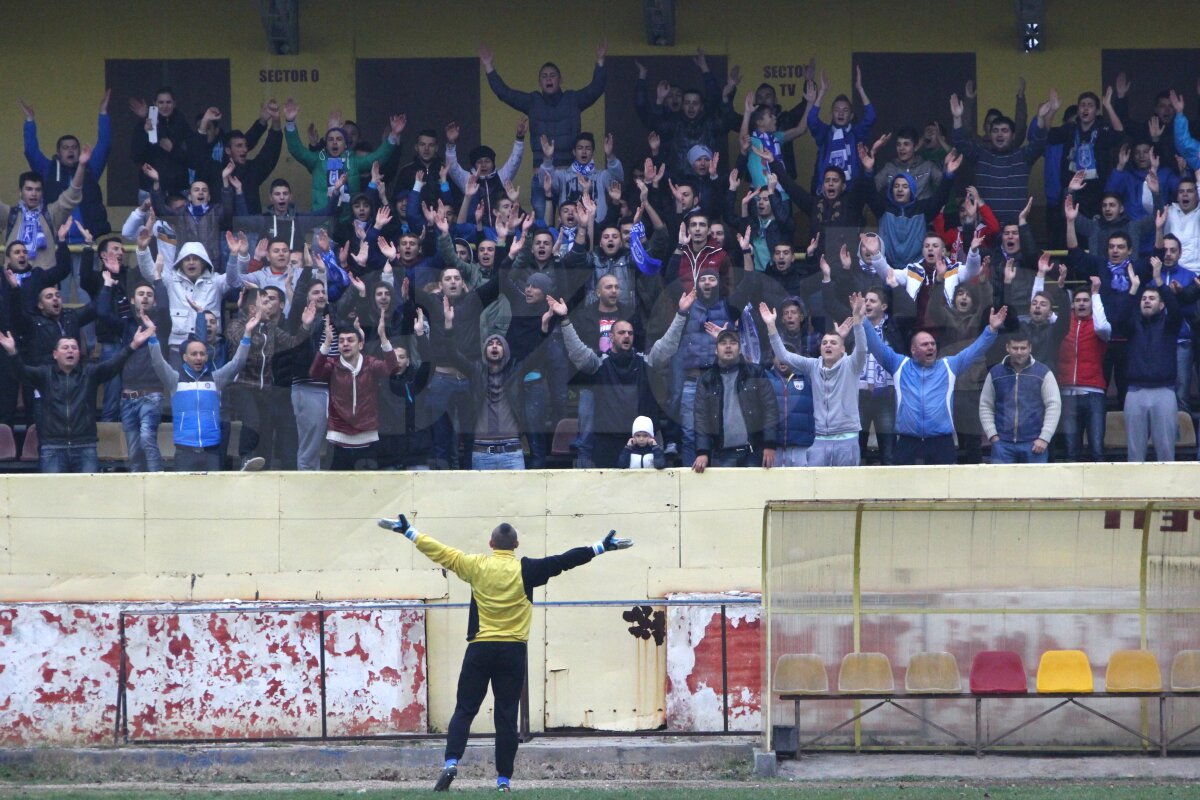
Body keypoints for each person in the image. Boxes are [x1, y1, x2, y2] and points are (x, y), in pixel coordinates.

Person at [378, 513, 632, 793]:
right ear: (516, 545)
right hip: (513, 651)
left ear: (491, 543)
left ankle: (451, 762)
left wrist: (410, 532)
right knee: (506, 716)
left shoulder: (476, 565)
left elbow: (441, 552)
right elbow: (563, 561)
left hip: (480, 648)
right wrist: (600, 547)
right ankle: (503, 781)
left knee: (465, 709)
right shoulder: (528, 569)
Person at [555, 290, 693, 468]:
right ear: (611, 337)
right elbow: (577, 352)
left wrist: (681, 314)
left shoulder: (646, 362)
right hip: (606, 444)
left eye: (630, 333)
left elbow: (667, 345)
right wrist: (565, 320)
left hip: (641, 444)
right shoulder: (599, 364)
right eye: (621, 333)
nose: (627, 336)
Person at [863, 304, 1008, 465]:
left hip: (941, 443)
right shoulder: (899, 365)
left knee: (942, 482)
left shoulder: (949, 366)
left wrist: (991, 330)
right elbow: (876, 346)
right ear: (913, 349)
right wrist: (863, 319)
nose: (931, 347)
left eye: (932, 344)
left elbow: (974, 351)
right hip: (907, 442)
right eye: (925, 344)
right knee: (905, 482)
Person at [0, 326, 154, 473]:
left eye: (74, 348)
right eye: (65, 348)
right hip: (52, 446)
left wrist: (133, 346)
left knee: (88, 491)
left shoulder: (90, 373)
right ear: (55, 354)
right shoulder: (45, 374)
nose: (70, 351)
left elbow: (113, 365)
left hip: (85, 445)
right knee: (54, 491)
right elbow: (21, 373)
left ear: (79, 353)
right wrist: (12, 352)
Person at [762, 293, 866, 466]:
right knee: (816, 484)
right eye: (824, 343)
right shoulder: (812, 366)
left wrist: (858, 321)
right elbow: (783, 355)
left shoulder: (851, 365)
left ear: (843, 349)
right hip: (819, 440)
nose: (828, 345)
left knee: (845, 485)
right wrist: (771, 326)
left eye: (833, 343)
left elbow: (862, 349)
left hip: (847, 438)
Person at [146, 313, 256, 471]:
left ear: (206, 357)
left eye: (202, 354)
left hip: (212, 450)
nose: (198, 357)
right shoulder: (174, 379)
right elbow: (158, 363)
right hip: (184, 450)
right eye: (194, 354)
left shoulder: (216, 379)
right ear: (185, 357)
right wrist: (152, 336)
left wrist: (247, 334)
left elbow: (237, 363)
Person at [480, 41, 607, 169]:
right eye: (544, 76)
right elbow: (505, 93)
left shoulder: (573, 100)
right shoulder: (532, 102)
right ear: (539, 82)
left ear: (560, 80)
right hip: (541, 168)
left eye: (552, 75)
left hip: (569, 169)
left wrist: (600, 61)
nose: (548, 79)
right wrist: (489, 66)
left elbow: (595, 90)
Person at [310, 315, 404, 470]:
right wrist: (326, 344)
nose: (345, 344)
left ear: (360, 345)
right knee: (337, 483)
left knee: (367, 483)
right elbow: (315, 373)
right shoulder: (332, 365)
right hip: (338, 436)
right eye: (341, 341)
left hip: (367, 436)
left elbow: (392, 368)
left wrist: (383, 337)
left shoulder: (370, 364)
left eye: (350, 340)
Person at [1114, 271, 1182, 462]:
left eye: (1152, 298)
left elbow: (1176, 311)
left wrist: (1160, 283)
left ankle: (1168, 484)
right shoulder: (1132, 327)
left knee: (1166, 450)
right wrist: (1133, 289)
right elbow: (1119, 319)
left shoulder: (1169, 326)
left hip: (1164, 391)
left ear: (1161, 305)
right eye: (1143, 299)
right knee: (1134, 452)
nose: (1146, 301)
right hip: (1135, 391)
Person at [691, 328, 778, 472]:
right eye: (723, 343)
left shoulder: (756, 373)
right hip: (721, 454)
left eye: (733, 343)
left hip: (753, 452)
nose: (728, 346)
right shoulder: (706, 380)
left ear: (740, 349)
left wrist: (769, 444)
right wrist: (702, 452)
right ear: (716, 350)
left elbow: (770, 409)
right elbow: (701, 418)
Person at [980, 332, 1062, 464]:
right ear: (1007, 348)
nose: (1019, 352)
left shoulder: (1043, 372)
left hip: (1034, 443)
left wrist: (1044, 438)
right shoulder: (995, 373)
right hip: (1002, 444)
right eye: (1015, 348)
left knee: (1035, 479)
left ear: (1030, 348)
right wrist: (992, 435)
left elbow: (1054, 405)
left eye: (1023, 348)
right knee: (1001, 479)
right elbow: (985, 404)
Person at [1057, 277, 1111, 462]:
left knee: (1097, 449)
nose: (1081, 303)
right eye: (1078, 300)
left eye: (1085, 300)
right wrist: (1046, 279)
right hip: (1068, 395)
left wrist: (1095, 294)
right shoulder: (1063, 325)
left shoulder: (1099, 327)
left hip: (1093, 393)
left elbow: (1103, 326)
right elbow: (1041, 314)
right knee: (1071, 451)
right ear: (1072, 305)